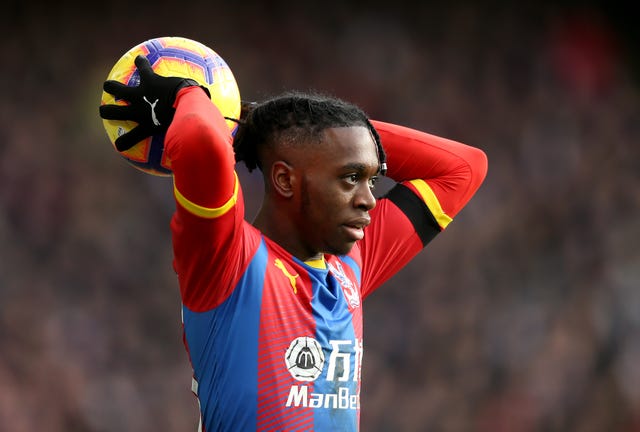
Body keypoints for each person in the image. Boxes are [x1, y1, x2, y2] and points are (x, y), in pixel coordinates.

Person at [100, 55, 488, 432]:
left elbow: (464, 167)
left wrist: (285, 124)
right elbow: (202, 141)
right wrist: (188, 94)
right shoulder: (228, 260)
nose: (369, 198)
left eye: (372, 179)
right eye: (350, 177)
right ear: (285, 180)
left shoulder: (352, 262)